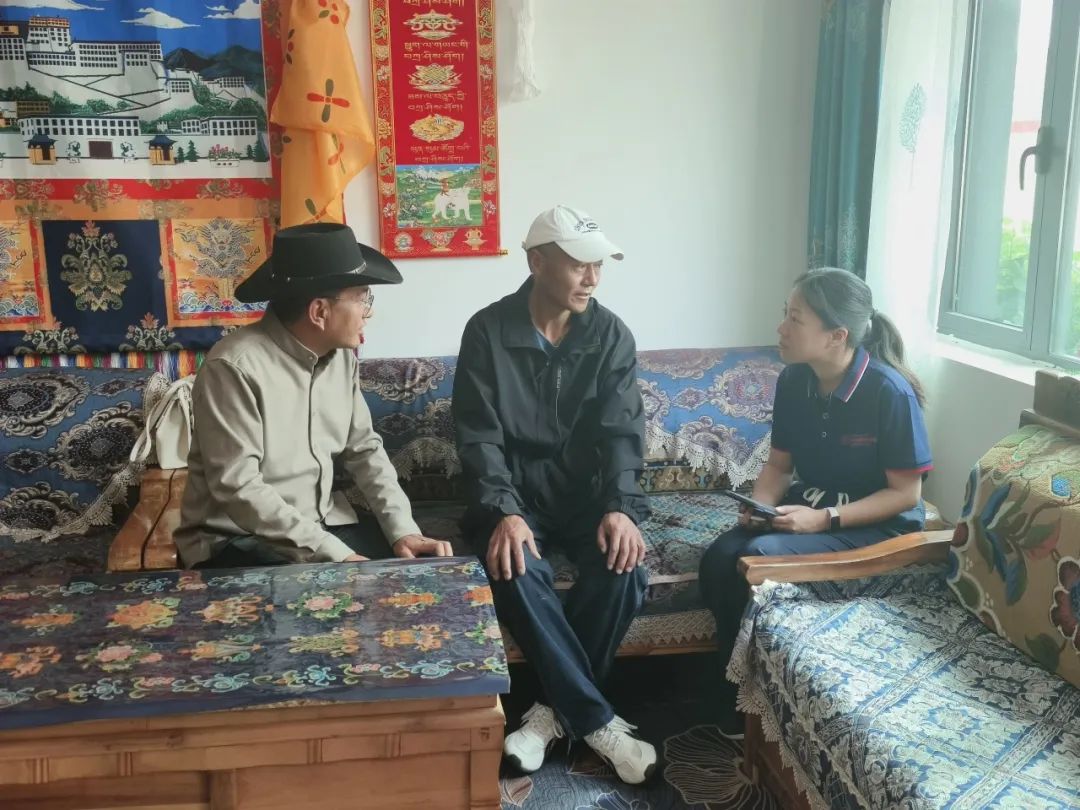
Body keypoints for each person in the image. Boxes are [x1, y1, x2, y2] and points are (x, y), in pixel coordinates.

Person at [452, 206, 656, 784]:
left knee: (625, 568)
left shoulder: (611, 334)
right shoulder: (487, 331)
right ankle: (597, 721)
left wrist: (619, 507)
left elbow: (623, 433)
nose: (592, 278)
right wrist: (504, 511)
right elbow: (479, 437)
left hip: (588, 497)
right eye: (579, 265)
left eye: (599, 265)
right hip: (514, 497)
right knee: (514, 567)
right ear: (537, 262)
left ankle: (546, 717)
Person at [698, 267, 932, 734]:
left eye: (795, 319)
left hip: (876, 525)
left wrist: (823, 519)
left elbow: (906, 494)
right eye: (785, 314)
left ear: (837, 335)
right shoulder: (793, 381)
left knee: (759, 557)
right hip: (810, 508)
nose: (781, 328)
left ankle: (751, 705)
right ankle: (732, 686)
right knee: (719, 557)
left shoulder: (888, 392)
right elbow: (778, 467)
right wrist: (759, 507)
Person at [176, 222, 451, 569]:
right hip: (238, 539)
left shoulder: (341, 360)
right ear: (319, 311)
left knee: (420, 573)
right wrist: (336, 555)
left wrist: (403, 530)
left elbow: (364, 449)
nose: (369, 312)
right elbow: (239, 487)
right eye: (362, 298)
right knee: (354, 592)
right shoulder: (234, 367)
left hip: (320, 527)